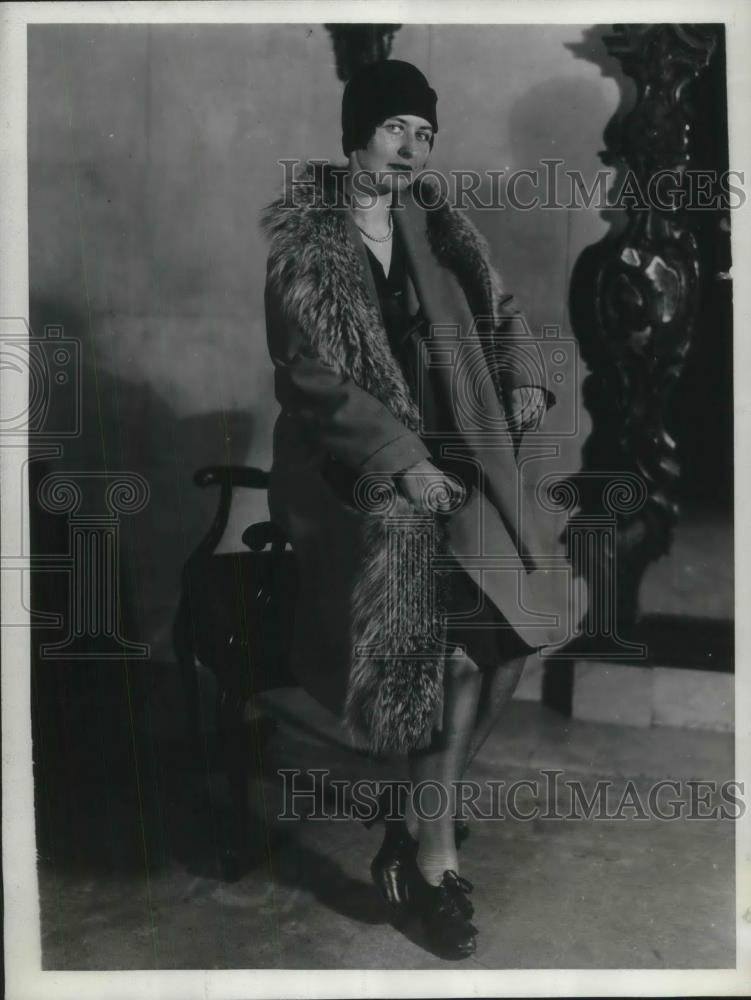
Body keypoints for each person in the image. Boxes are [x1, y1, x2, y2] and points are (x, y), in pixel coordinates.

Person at [262, 59, 585, 960]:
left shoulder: (439, 227)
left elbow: (505, 313)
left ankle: (408, 826)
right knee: (451, 651)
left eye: (425, 134)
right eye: (395, 127)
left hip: (454, 460)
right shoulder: (309, 243)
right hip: (351, 475)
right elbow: (311, 378)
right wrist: (400, 463)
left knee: (515, 639)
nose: (410, 148)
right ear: (355, 135)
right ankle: (432, 859)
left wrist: (521, 379)